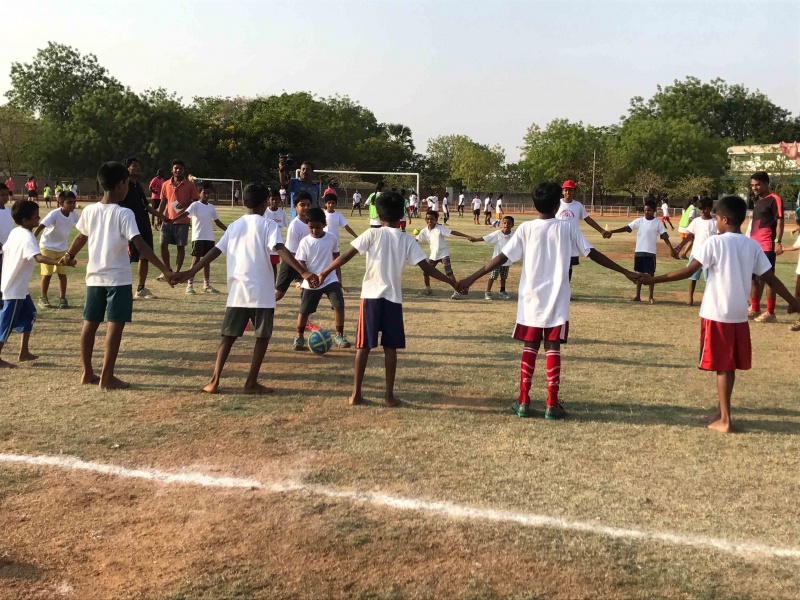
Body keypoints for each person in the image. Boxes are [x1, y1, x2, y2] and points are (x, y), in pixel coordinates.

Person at [457, 183, 636, 419]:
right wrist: (626, 272)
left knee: (529, 347)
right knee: (553, 348)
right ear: (557, 204)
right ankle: (552, 404)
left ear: (534, 204)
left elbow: (501, 257)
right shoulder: (567, 228)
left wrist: (470, 279)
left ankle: (523, 401)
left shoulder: (526, 229)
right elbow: (593, 254)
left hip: (530, 301)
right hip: (557, 301)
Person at [639, 196, 799, 433]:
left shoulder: (714, 243)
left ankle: (724, 420)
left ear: (724, 219)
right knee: (728, 365)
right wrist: (793, 301)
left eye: (716, 217)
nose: (715, 221)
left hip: (716, 314)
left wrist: (654, 279)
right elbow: (770, 278)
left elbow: (687, 271)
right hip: (738, 315)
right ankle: (722, 411)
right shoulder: (752, 245)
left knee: (722, 366)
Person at [316, 191, 458, 406]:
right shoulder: (406, 240)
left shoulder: (372, 234)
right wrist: (452, 282)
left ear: (379, 216)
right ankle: (389, 396)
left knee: (363, 347)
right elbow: (427, 268)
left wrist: (324, 272)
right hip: (393, 299)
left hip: (370, 298)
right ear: (402, 214)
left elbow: (346, 255)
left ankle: (356, 394)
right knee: (390, 348)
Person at [174, 183, 318, 394]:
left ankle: (214, 381)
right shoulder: (268, 225)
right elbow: (279, 248)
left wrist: (190, 272)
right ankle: (250, 382)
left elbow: (214, 251)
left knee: (228, 337)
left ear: (243, 202)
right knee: (262, 337)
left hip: (238, 292)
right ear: (264, 203)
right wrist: (304, 273)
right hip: (262, 292)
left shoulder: (234, 226)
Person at [62, 161, 176, 390]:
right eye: (127, 183)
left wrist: (68, 255)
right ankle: (107, 376)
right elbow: (141, 246)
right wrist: (165, 269)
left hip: (94, 278)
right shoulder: (124, 213)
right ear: (121, 184)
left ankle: (87, 372)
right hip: (118, 279)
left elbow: (80, 238)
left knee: (90, 324)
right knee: (115, 324)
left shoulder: (90, 210)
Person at [0, 200, 67, 367]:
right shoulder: (27, 236)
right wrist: (58, 263)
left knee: (30, 314)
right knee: (6, 325)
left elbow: (4, 252)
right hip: (14, 290)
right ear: (25, 220)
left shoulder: (16, 232)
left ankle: (24, 352)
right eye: (36, 216)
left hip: (20, 288)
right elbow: (38, 257)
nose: (39, 218)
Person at [294, 207, 350, 350]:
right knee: (304, 310)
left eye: (317, 227)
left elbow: (336, 259)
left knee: (339, 305)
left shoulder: (331, 238)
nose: (314, 231)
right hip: (312, 281)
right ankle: (299, 337)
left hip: (330, 278)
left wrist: (338, 280)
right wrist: (305, 276)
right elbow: (300, 261)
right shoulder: (305, 242)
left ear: (324, 224)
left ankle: (339, 335)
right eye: (311, 227)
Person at [608, 199, 678, 303]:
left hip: (650, 252)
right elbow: (627, 228)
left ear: (654, 211)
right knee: (639, 274)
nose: (646, 212)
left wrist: (671, 249)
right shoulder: (639, 221)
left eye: (649, 210)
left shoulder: (658, 223)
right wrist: (612, 231)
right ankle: (637, 296)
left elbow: (664, 236)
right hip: (639, 251)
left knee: (650, 274)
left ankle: (650, 296)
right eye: (645, 210)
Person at [122, 157, 172, 300]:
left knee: (145, 256)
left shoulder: (138, 186)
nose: (138, 168)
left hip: (143, 225)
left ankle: (141, 288)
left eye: (139, 165)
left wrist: (162, 217)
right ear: (127, 169)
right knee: (127, 257)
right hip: (130, 226)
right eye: (134, 166)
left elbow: (146, 206)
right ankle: (123, 287)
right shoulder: (123, 185)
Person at [175, 180, 227, 295]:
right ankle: (189, 285)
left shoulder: (211, 207)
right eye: (205, 193)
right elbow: (185, 214)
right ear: (199, 193)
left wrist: (229, 230)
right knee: (195, 260)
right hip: (198, 237)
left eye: (209, 193)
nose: (207, 195)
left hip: (209, 238)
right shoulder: (195, 205)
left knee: (206, 261)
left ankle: (206, 285)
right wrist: (173, 220)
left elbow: (217, 222)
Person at [746, 171, 784, 323]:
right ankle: (755, 308)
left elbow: (780, 221)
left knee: (768, 278)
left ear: (766, 184)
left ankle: (770, 312)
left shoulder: (774, 199)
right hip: (754, 244)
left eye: (757, 185)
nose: (754, 188)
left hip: (767, 244)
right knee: (753, 278)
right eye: (752, 185)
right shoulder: (757, 201)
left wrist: (778, 240)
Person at [556, 180, 612, 281]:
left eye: (571, 190)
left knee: (568, 267)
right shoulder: (556, 204)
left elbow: (587, 219)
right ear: (562, 191)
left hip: (572, 240)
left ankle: (566, 292)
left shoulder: (578, 205)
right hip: (559, 239)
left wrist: (601, 231)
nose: (568, 192)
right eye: (566, 190)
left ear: (574, 192)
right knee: (558, 266)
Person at [416, 210, 475, 299]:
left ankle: (456, 291)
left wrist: (466, 235)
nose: (429, 221)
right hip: (433, 255)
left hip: (443, 254)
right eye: (427, 219)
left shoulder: (440, 228)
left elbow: (453, 232)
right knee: (426, 272)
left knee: (449, 273)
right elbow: (416, 240)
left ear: (436, 219)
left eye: (432, 219)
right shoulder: (424, 231)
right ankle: (428, 289)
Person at [33, 190, 78, 308]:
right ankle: (43, 298)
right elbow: (41, 226)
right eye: (69, 202)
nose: (72, 205)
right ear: (61, 203)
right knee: (47, 274)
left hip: (62, 248)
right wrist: (32, 239)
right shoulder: (54, 214)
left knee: (62, 274)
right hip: (47, 246)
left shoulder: (74, 214)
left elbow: (82, 225)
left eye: (74, 202)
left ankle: (62, 298)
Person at [158, 159, 198, 279]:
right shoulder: (165, 184)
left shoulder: (190, 185)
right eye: (176, 168)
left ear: (183, 170)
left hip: (182, 221)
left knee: (180, 246)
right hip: (168, 219)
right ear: (172, 170)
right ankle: (167, 270)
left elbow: (195, 202)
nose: (178, 170)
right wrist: (159, 217)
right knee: (162, 244)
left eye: (180, 168)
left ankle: (177, 271)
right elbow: (163, 202)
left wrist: (186, 204)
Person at [673, 197, 717, 306]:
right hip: (696, 254)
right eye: (700, 209)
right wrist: (680, 246)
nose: (702, 211)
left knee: (710, 279)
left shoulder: (715, 223)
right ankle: (690, 298)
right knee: (692, 277)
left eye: (704, 209)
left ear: (710, 208)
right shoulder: (697, 221)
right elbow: (690, 236)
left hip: (710, 256)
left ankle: (709, 299)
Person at [275, 191, 312, 302]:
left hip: (306, 262)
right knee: (278, 293)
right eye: (302, 205)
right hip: (292, 262)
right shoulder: (295, 225)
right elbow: (291, 251)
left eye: (308, 205)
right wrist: (302, 271)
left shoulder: (312, 223)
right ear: (295, 207)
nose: (306, 207)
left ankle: (305, 318)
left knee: (309, 292)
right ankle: (254, 313)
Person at [471, 215, 515, 300]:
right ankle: (488, 292)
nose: (506, 225)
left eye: (509, 223)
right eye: (504, 223)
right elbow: (486, 238)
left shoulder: (514, 235)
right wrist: (476, 239)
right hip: (496, 261)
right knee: (493, 276)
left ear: (512, 225)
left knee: (503, 276)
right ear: (502, 224)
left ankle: (502, 291)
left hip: (506, 261)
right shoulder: (497, 234)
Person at [322, 193, 357, 290]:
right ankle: (321, 284)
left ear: (336, 204)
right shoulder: (322, 214)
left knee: (337, 264)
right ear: (325, 204)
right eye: (329, 203)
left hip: (334, 244)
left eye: (333, 203)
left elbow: (346, 226)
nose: (331, 205)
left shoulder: (338, 215)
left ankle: (339, 285)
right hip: (322, 243)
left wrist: (356, 236)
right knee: (322, 263)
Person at [264, 188, 290, 280]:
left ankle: (273, 285)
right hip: (265, 245)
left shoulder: (282, 213)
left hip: (276, 246)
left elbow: (289, 227)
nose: (274, 201)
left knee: (273, 266)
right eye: (272, 199)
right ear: (268, 200)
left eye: (276, 199)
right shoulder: (265, 212)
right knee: (264, 266)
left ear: (280, 200)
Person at [0, 183, 13, 300]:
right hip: (1, 249)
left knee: (5, 276)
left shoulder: (8, 211)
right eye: (2, 195)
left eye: (6, 194)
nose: (5, 197)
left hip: (7, 251)